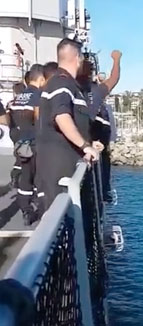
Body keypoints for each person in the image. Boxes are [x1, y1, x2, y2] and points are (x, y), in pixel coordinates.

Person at [36, 38, 99, 211]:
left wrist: (89, 141)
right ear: (77, 58)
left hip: (66, 162)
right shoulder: (61, 83)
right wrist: (85, 146)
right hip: (58, 166)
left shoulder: (70, 85)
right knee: (60, 215)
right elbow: (61, 116)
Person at [78, 50, 121, 202]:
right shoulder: (98, 90)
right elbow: (114, 78)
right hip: (96, 141)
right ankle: (104, 191)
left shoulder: (73, 89)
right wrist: (116, 59)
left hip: (81, 141)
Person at [8, 64, 44, 224]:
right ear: (41, 79)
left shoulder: (19, 97)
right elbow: (38, 118)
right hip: (34, 142)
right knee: (38, 176)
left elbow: (10, 118)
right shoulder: (38, 96)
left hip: (20, 141)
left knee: (25, 176)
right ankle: (40, 207)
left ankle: (25, 209)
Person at [6, 83, 26, 188]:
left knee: (18, 153)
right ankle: (17, 175)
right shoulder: (27, 102)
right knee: (25, 155)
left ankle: (16, 176)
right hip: (24, 131)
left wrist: (12, 128)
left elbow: (7, 119)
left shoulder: (11, 103)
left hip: (14, 131)